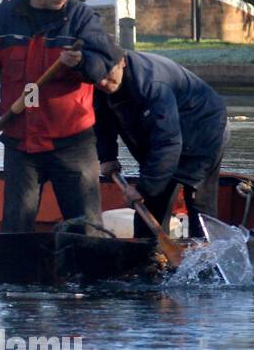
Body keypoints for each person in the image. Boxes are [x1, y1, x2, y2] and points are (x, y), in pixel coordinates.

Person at [0, 0, 120, 233]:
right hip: (19, 143)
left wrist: (82, 63)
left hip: (74, 142)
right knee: (16, 229)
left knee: (88, 230)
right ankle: (17, 273)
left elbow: (108, 66)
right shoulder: (0, 20)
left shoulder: (82, 19)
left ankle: (90, 273)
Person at [93, 48, 231, 238]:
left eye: (107, 76)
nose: (102, 82)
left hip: (203, 130)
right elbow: (102, 119)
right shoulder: (97, 80)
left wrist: (144, 188)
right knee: (151, 207)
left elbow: (167, 144)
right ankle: (148, 257)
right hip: (162, 137)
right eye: (97, 77)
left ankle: (206, 257)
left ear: (122, 62)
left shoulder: (153, 86)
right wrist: (107, 156)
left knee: (199, 203)